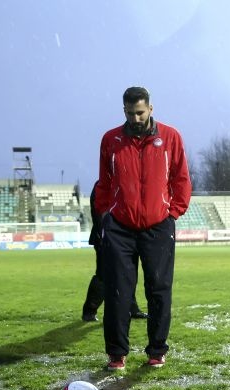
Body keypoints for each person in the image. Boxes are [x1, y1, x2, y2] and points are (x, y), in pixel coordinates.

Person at [95, 86, 191, 370]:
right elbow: (104, 181)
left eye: (140, 112)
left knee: (159, 290)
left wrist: (172, 212)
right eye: (129, 113)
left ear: (150, 108)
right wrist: (105, 216)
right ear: (123, 111)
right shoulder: (110, 139)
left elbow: (181, 177)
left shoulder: (170, 137)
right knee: (118, 292)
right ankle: (116, 354)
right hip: (120, 228)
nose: (135, 119)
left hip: (158, 226)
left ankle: (157, 350)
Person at [82, 179, 147, 322]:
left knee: (130, 273)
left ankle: (131, 308)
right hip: (105, 237)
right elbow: (98, 211)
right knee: (103, 275)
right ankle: (89, 310)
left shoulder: (124, 183)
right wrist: (104, 233)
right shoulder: (102, 185)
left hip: (127, 236)